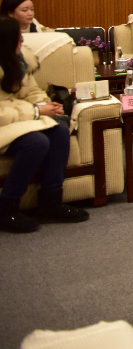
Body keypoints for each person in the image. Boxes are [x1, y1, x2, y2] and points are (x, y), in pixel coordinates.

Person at [0, 18, 88, 233]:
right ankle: (7, 207)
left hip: (20, 120)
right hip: (5, 123)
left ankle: (51, 200)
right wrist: (37, 112)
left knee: (59, 130)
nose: (22, 41)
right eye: (18, 38)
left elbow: (31, 91)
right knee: (36, 142)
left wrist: (47, 105)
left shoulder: (19, 60)